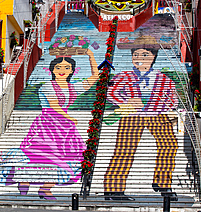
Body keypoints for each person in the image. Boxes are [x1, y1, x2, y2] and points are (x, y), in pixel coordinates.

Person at [103, 36, 178, 201]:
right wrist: (125, 100)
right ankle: (113, 189)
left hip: (157, 115)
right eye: (136, 55)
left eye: (144, 55)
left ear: (153, 57)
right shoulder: (124, 76)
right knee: (124, 149)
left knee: (170, 144)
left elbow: (173, 98)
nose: (139, 58)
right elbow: (110, 92)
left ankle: (162, 183)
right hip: (132, 115)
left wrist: (166, 108)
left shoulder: (163, 79)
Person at [17, 50, 99, 200]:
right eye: (59, 67)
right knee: (45, 156)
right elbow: (54, 105)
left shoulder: (72, 87)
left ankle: (45, 187)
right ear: (52, 70)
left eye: (67, 67)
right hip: (48, 125)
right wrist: (70, 118)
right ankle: (25, 179)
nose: (62, 71)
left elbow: (95, 77)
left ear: (73, 70)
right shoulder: (48, 86)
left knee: (71, 157)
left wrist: (91, 56)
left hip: (66, 128)